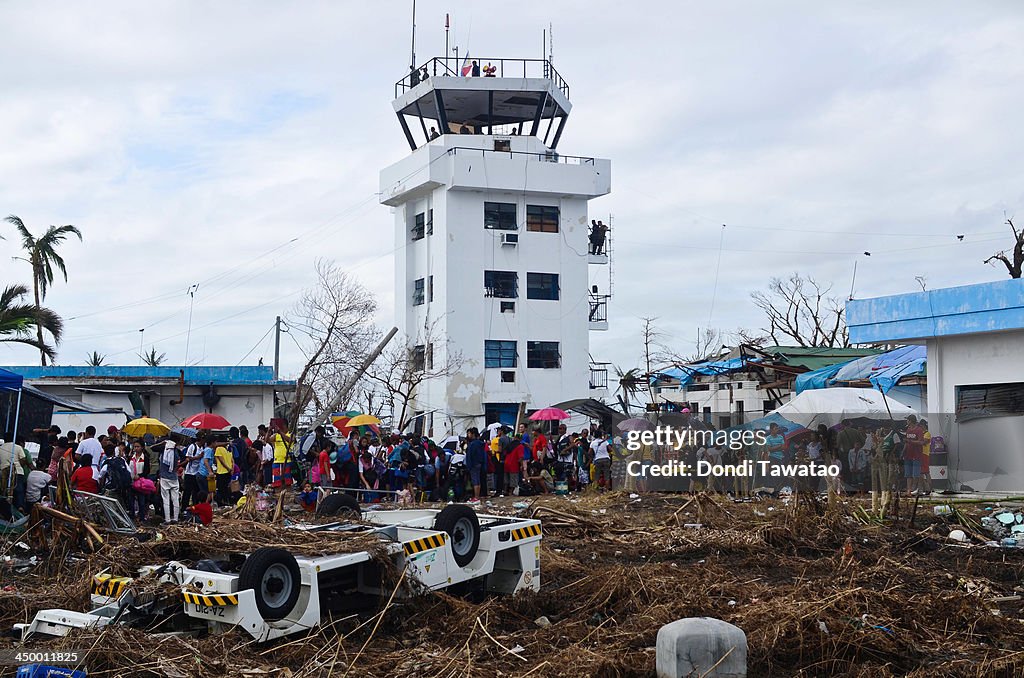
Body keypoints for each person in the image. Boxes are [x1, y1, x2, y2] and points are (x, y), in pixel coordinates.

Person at [0, 436, 32, 511]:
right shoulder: (17, 447)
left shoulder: (1, 448)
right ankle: (20, 507)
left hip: (3, 472)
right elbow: (23, 459)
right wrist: (18, 465)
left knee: (3, 491)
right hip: (17, 472)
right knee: (19, 491)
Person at [127, 440, 151, 522]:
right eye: (135, 447)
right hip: (131, 482)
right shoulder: (131, 457)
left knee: (141, 501)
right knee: (131, 500)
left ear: (142, 447)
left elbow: (147, 470)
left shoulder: (145, 458)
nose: (136, 448)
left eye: (138, 447)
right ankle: (132, 516)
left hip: (141, 483)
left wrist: (140, 475)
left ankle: (142, 517)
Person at [158, 440, 181, 524]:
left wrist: (162, 443)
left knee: (166, 500)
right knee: (175, 499)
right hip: (174, 477)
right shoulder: (176, 452)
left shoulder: (164, 452)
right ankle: (176, 518)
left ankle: (167, 519)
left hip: (164, 477)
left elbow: (153, 447)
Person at [903, 415, 924, 495]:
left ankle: (916, 488)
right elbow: (906, 442)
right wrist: (903, 451)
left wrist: (910, 441)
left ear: (911, 420)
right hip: (908, 455)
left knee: (916, 474)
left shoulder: (919, 430)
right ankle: (909, 489)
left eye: (907, 420)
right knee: (908, 474)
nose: (906, 422)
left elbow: (921, 442)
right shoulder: (908, 430)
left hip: (916, 455)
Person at [181, 434, 205, 507]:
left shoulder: (203, 448)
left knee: (196, 491)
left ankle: (195, 506)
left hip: (197, 472)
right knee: (187, 491)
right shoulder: (192, 447)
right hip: (190, 472)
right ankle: (184, 507)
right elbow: (188, 458)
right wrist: (198, 457)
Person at [466, 427, 486, 502]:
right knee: (478, 480)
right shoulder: (480, 443)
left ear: (473, 434)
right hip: (479, 463)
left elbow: (470, 455)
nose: (468, 435)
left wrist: (469, 466)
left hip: (473, 464)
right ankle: (477, 496)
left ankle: (476, 497)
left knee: (475, 480)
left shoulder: (472, 444)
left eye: (469, 433)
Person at [214, 438, 233, 506]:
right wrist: (231, 469)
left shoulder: (219, 449)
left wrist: (228, 468)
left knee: (221, 489)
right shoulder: (228, 449)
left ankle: (221, 504)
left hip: (221, 472)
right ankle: (227, 503)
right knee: (226, 489)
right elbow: (232, 460)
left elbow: (221, 461)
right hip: (228, 472)